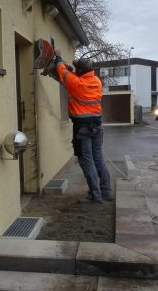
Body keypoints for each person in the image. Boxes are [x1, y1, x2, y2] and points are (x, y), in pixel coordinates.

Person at [48, 54, 112, 203]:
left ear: (81, 71)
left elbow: (62, 72)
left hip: (82, 128)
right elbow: (73, 75)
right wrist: (72, 69)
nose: (75, 70)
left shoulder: (76, 83)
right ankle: (106, 191)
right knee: (98, 159)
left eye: (77, 68)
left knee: (86, 160)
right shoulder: (96, 81)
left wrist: (58, 60)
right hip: (96, 126)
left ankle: (95, 196)